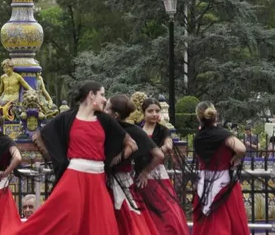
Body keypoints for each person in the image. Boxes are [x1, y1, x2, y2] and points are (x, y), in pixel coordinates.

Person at [7, 81, 137, 235]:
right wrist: (57, 160)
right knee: (58, 220)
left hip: (97, 179)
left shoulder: (105, 120)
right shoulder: (67, 117)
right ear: (91, 95)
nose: (104, 99)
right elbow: (39, 135)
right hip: (73, 176)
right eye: (102, 94)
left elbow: (131, 145)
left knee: (102, 226)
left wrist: (111, 162)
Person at [105, 95, 163, 235]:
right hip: (126, 181)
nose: (104, 111)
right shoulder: (136, 130)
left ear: (116, 114)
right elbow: (159, 155)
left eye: (107, 108)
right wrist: (145, 172)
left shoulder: (108, 130)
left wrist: (144, 172)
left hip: (113, 183)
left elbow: (160, 155)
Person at [192, 101, 249, 235]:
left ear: (198, 117)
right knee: (229, 220)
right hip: (224, 183)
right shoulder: (223, 134)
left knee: (206, 223)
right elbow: (241, 148)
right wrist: (236, 158)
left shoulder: (198, 137)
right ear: (215, 116)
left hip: (204, 182)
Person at [141, 98, 189, 235]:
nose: (154, 114)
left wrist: (166, 147)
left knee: (167, 212)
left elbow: (168, 143)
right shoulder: (138, 129)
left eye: (157, 111)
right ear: (143, 112)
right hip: (141, 176)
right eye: (150, 111)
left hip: (157, 174)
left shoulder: (163, 130)